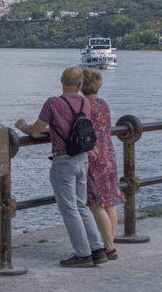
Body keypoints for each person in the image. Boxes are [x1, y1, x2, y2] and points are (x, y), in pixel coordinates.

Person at [15, 66, 107, 268]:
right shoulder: (85, 102)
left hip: (63, 160)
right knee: (82, 206)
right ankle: (97, 249)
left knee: (69, 208)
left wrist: (21, 126)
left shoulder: (53, 103)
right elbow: (72, 124)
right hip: (82, 157)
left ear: (61, 81)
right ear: (80, 85)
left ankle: (83, 254)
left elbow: (35, 130)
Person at [81, 67, 125, 260]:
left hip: (92, 156)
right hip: (108, 154)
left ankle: (108, 246)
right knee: (109, 201)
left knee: (96, 203)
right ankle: (111, 244)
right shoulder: (103, 104)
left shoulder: (84, 105)